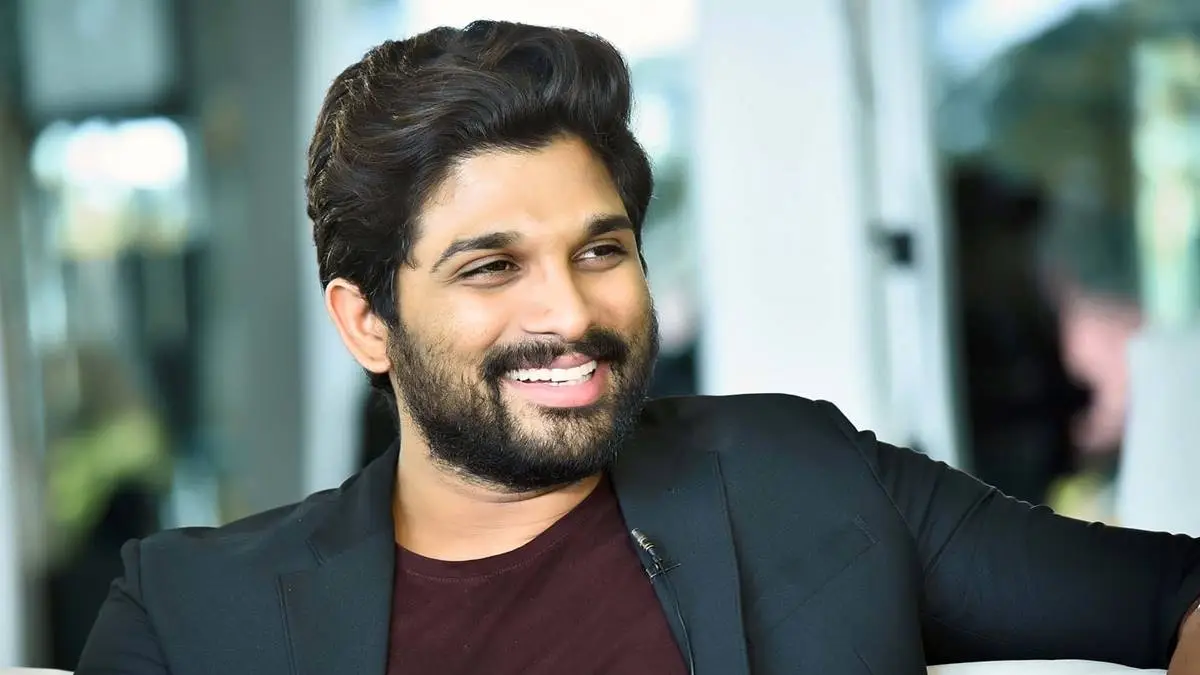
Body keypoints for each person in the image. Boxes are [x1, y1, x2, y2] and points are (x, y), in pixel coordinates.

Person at [77, 21, 1200, 675]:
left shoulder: (806, 476)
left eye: (600, 250)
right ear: (366, 321)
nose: (570, 313)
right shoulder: (189, 612)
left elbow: (1172, 596)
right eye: (492, 266)